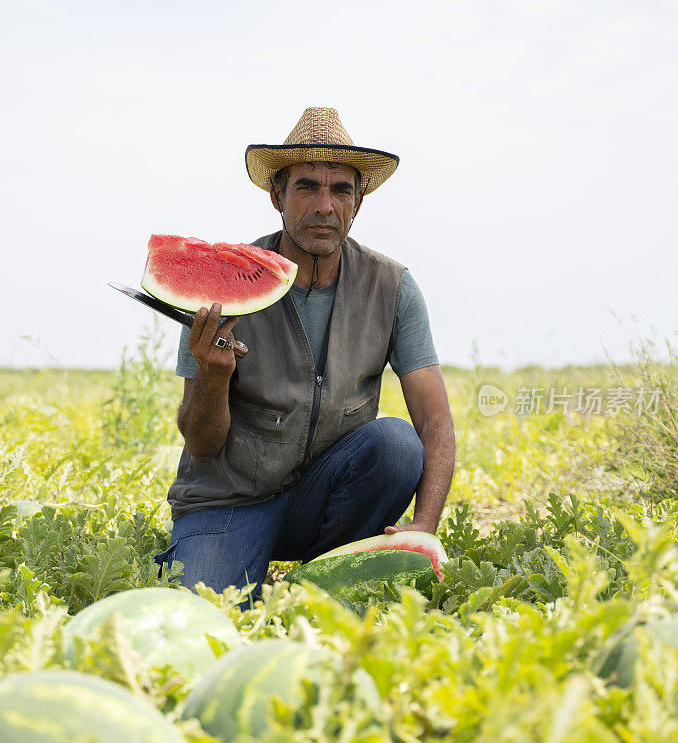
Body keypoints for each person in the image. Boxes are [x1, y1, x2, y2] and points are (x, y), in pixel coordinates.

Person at [156, 107, 456, 601]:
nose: (324, 205)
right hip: (230, 501)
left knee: (397, 443)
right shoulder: (225, 285)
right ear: (277, 195)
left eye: (341, 190)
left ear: (359, 202)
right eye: (306, 187)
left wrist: (423, 527)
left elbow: (434, 421)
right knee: (207, 611)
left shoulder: (393, 287)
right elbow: (202, 445)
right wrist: (213, 377)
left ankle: (325, 573)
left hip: (327, 502)